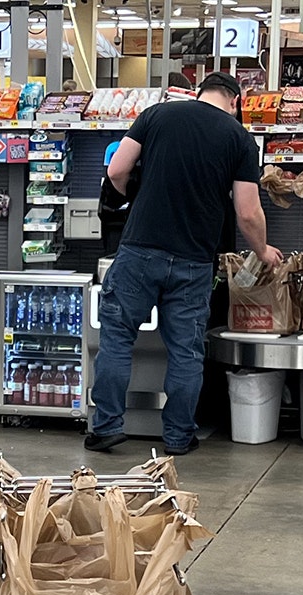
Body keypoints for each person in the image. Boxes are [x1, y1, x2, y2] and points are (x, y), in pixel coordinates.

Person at [90, 71, 279, 456]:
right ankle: (177, 437)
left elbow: (116, 170)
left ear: (197, 93)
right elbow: (247, 212)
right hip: (193, 261)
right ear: (235, 102)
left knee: (117, 341)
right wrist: (262, 251)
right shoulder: (240, 139)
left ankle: (107, 427)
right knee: (186, 352)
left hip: (140, 250)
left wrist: (138, 198)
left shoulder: (157, 115)